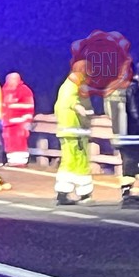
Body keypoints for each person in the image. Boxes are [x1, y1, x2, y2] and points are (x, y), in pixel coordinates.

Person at [105, 61, 139, 207]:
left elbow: (108, 111)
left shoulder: (110, 88)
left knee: (127, 164)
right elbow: (135, 110)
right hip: (134, 134)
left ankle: (126, 193)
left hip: (119, 133)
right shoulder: (132, 88)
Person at [54, 61, 94, 205]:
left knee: (69, 161)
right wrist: (82, 110)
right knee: (79, 162)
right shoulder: (75, 85)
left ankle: (63, 192)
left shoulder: (67, 85)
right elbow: (72, 101)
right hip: (75, 129)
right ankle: (84, 193)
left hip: (68, 129)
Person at [1, 73, 35, 166]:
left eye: (14, 79)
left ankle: (20, 161)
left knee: (19, 142)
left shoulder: (24, 90)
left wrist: (26, 121)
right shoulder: (5, 90)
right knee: (9, 142)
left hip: (20, 122)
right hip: (8, 122)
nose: (11, 81)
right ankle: (12, 161)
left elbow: (29, 106)